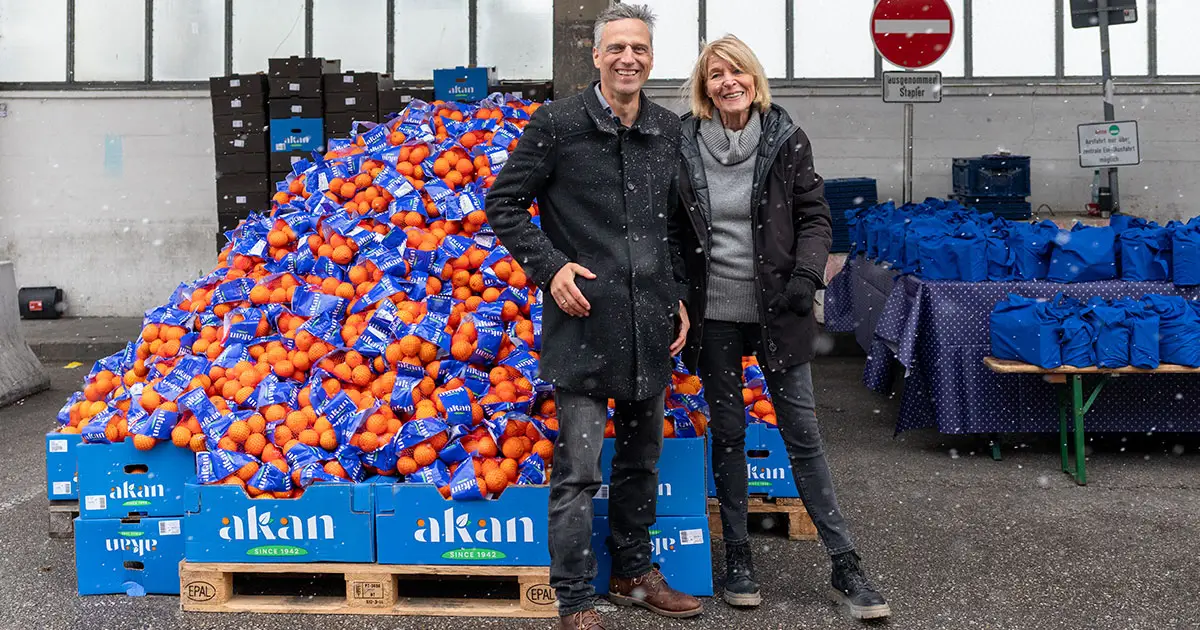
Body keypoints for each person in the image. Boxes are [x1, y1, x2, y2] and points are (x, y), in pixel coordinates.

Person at [484, 5, 700, 629]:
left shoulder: (666, 129)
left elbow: (680, 227)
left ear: (652, 59)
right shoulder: (558, 124)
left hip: (650, 323)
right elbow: (504, 202)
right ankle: (575, 598)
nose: (628, 58)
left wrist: (678, 292)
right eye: (617, 48)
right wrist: (550, 267)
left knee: (640, 460)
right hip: (583, 320)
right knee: (578, 469)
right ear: (597, 56)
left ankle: (634, 573)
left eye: (640, 48)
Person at [675, 35, 892, 620]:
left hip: (780, 311)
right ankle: (739, 557)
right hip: (714, 315)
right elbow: (672, 226)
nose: (728, 82)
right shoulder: (684, 141)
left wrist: (806, 276)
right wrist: (675, 293)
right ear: (704, 85)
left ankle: (845, 565)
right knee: (728, 434)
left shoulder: (785, 138)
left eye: (736, 71)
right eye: (716, 74)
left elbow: (816, 216)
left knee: (803, 437)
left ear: (754, 77)